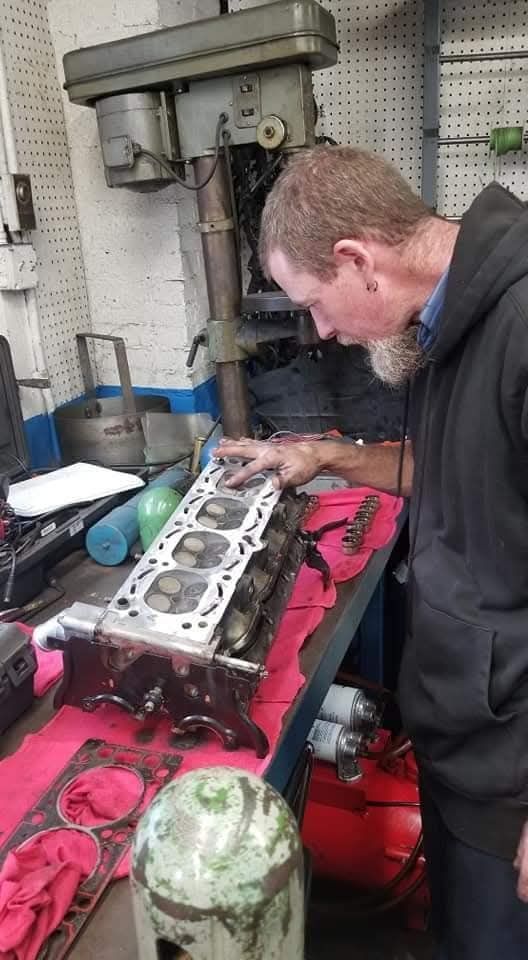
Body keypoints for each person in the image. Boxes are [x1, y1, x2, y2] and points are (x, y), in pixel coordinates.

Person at [215, 145, 528, 958]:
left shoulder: (522, 325)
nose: (319, 330)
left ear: (359, 260)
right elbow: (456, 467)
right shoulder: (446, 320)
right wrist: (328, 456)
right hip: (464, 730)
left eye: (315, 303)